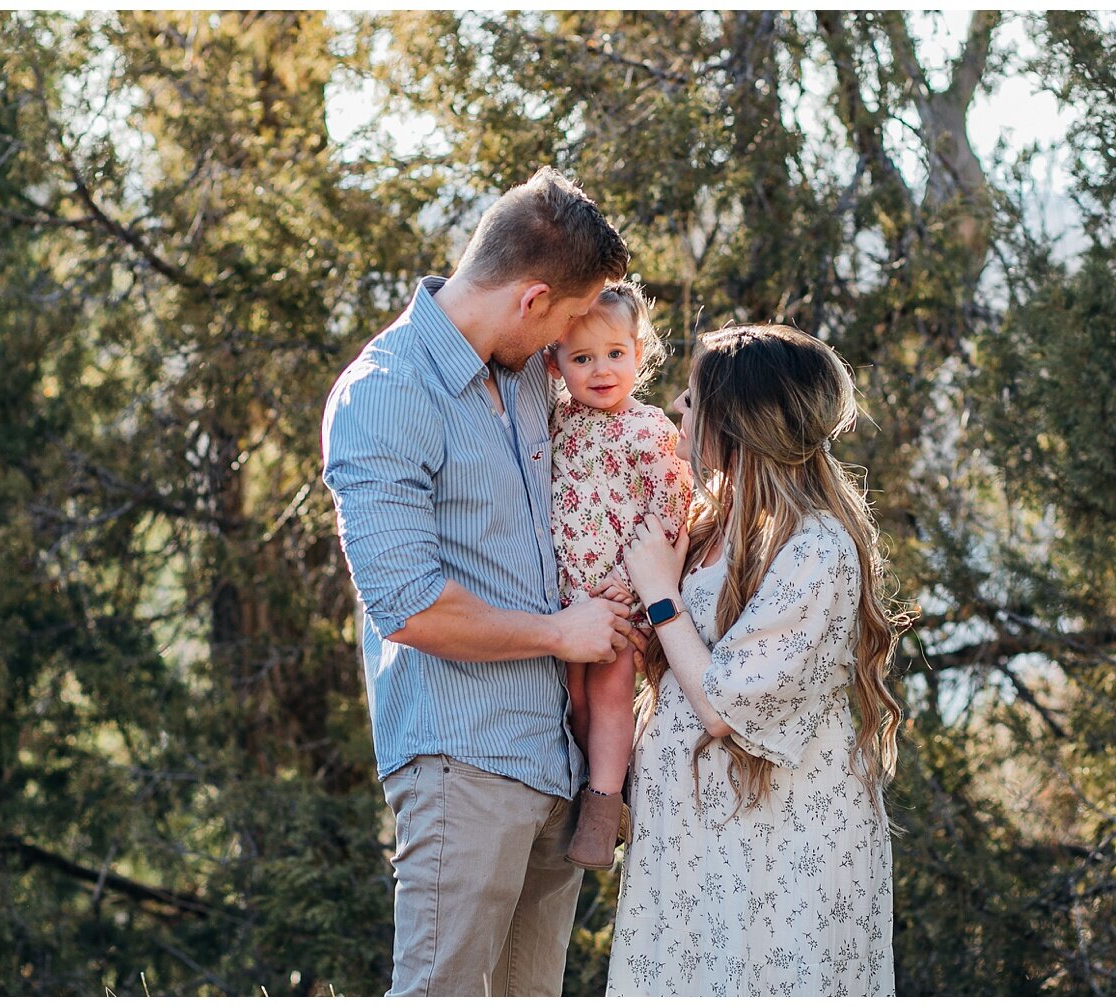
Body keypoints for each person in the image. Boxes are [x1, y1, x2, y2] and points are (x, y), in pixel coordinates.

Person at [320, 167, 633, 997]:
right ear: (533, 300)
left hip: (554, 770)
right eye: (567, 323)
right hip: (461, 763)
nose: (567, 347)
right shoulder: (386, 394)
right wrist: (561, 633)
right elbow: (410, 606)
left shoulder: (531, 376)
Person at [608, 323, 904, 996]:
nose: (680, 409)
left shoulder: (817, 549)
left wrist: (660, 595)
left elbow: (723, 707)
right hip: (695, 847)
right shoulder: (708, 524)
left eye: (692, 397)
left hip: (776, 852)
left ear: (737, 421)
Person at [544, 281, 692, 870]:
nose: (600, 370)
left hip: (616, 593)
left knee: (608, 695)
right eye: (581, 358)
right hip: (561, 597)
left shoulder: (650, 430)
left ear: (638, 351)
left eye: (615, 354)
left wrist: (638, 589)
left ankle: (601, 815)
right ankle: (608, 788)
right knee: (574, 697)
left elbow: (674, 512)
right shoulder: (557, 422)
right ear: (555, 363)